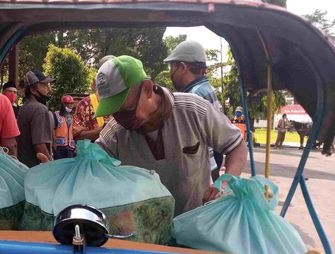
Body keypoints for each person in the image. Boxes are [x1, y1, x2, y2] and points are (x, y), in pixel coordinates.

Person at [94, 55, 247, 216]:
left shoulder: (193, 110)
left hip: (196, 224)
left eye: (125, 109)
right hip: (143, 230)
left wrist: (224, 184)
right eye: (113, 112)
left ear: (147, 88)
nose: (120, 118)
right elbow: (93, 173)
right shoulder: (115, 132)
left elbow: (236, 146)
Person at [164, 40, 224, 181]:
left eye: (172, 67)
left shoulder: (192, 97)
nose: (170, 73)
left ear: (183, 67)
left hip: (201, 175)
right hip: (212, 168)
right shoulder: (207, 89)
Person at [16, 70, 55, 167]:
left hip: (24, 166)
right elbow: (39, 145)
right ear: (33, 90)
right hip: (37, 168)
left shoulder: (24, 107)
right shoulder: (40, 109)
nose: (48, 89)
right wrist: (52, 167)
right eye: (43, 85)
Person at [73, 55, 115, 141]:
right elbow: (76, 135)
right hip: (94, 153)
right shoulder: (85, 104)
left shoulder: (126, 101)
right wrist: (101, 131)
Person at [53, 95, 77, 159]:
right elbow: (52, 129)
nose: (71, 106)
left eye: (72, 104)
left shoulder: (72, 116)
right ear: (64, 104)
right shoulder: (56, 115)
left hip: (70, 147)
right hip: (59, 146)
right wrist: (53, 143)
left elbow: (74, 132)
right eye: (69, 104)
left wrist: (75, 146)